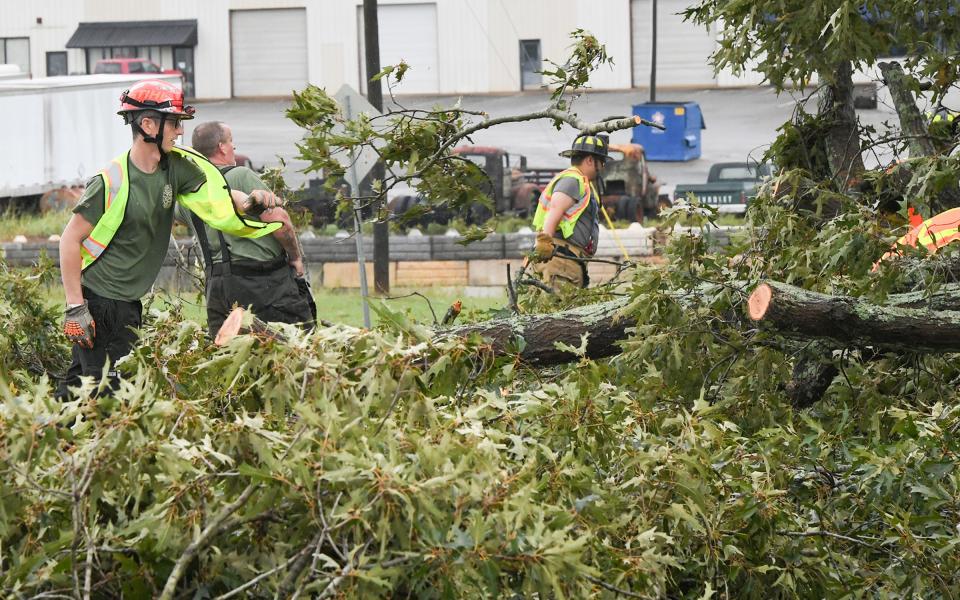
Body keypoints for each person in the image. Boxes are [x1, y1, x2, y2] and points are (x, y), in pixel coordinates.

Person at [58, 79, 282, 399]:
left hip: (127, 301)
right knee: (107, 395)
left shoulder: (173, 168)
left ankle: (50, 439)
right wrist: (75, 307)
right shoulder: (112, 180)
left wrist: (250, 201)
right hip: (101, 302)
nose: (179, 131)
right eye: (174, 123)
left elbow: (216, 192)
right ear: (148, 124)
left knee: (82, 388)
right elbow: (69, 240)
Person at [183, 121, 316, 338]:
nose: (234, 147)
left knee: (229, 359)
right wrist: (296, 258)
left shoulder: (190, 193)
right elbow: (280, 221)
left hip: (217, 288)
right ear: (221, 147)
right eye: (231, 141)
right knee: (296, 345)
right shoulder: (240, 176)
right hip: (262, 284)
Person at [530, 133, 608, 288]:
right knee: (559, 310)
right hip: (561, 260)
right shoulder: (573, 180)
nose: (602, 168)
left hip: (565, 259)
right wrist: (545, 241)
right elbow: (555, 209)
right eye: (602, 163)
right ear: (590, 160)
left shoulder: (577, 181)